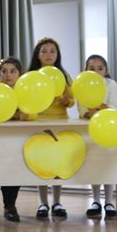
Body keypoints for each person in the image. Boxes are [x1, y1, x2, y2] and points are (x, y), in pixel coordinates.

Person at [28, 38, 74, 219]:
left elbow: (72, 100)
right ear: (37, 55)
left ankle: (57, 202)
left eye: (52, 51)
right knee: (41, 164)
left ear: (57, 55)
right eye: (44, 51)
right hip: (38, 122)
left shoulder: (64, 75)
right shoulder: (32, 75)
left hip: (60, 122)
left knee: (58, 163)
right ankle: (42, 203)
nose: (48, 55)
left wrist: (66, 101)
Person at [78, 55, 117, 219]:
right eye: (91, 68)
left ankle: (109, 201)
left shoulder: (111, 85)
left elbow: (113, 107)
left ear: (106, 70)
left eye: (100, 68)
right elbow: (82, 108)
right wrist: (89, 113)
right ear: (86, 70)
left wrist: (98, 112)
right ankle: (96, 201)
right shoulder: (82, 85)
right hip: (89, 129)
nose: (96, 71)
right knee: (94, 165)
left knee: (108, 164)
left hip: (108, 128)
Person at [0, 57, 28, 221]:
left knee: (13, 171)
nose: (8, 75)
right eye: (4, 71)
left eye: (12, 71)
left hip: (18, 138)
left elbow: (31, 114)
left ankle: (10, 206)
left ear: (19, 74)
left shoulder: (26, 91)